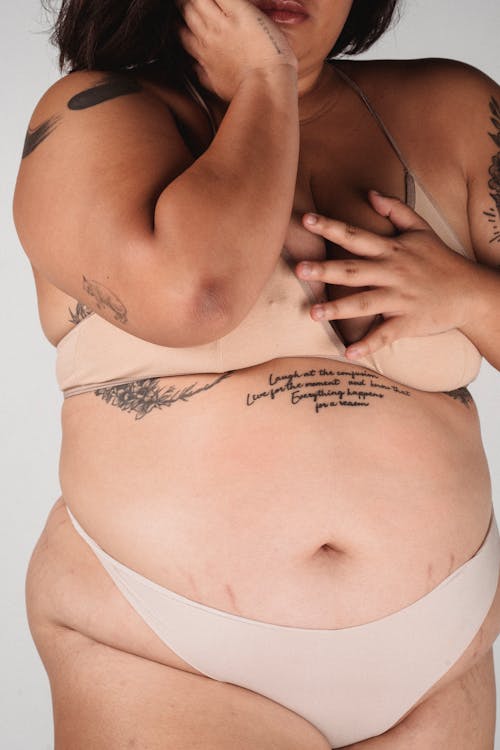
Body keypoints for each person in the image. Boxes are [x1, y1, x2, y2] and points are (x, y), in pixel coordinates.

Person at [12, 0, 500, 746]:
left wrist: (466, 293)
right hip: (164, 656)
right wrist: (268, 84)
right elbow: (196, 294)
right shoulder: (96, 113)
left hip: (438, 656)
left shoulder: (455, 108)